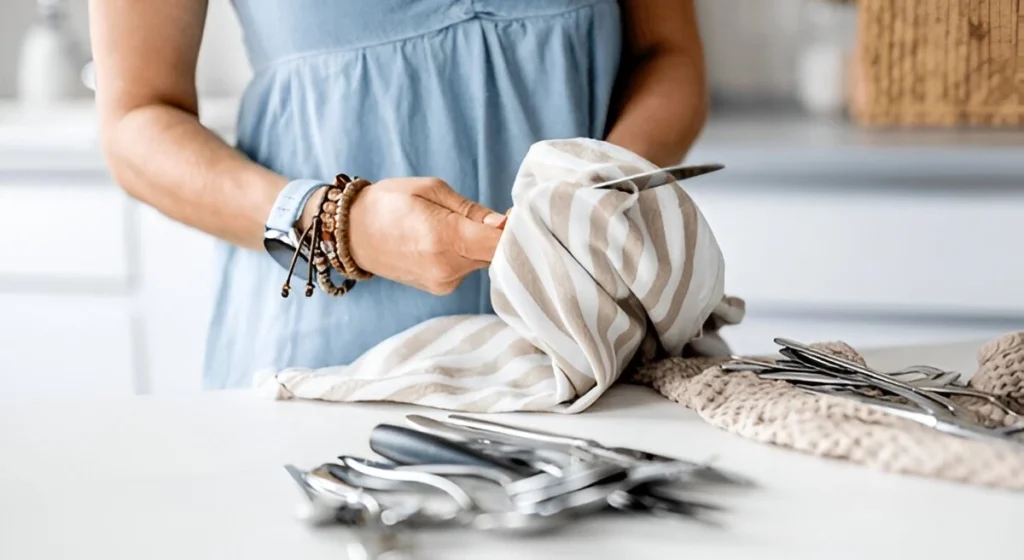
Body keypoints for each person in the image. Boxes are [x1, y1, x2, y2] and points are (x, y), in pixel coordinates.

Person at [89, 0, 709, 389]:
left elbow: (669, 55)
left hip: (588, 332)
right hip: (329, 349)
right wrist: (340, 225)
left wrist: (591, 188)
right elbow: (135, 121)